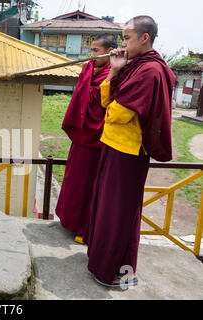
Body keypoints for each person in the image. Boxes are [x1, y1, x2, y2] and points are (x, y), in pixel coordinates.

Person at [83, 16, 176, 288]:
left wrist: (112, 99)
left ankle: (113, 270)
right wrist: (115, 71)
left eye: (127, 38)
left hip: (128, 152)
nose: (122, 44)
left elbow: (117, 114)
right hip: (114, 146)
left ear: (144, 38)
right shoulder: (135, 66)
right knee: (109, 209)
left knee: (119, 213)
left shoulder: (150, 71)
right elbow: (106, 101)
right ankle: (104, 262)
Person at [56, 34, 117, 243]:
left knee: (89, 184)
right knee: (74, 180)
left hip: (96, 138)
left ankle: (86, 227)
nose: (92, 55)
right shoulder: (90, 69)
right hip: (81, 136)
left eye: (96, 51)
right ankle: (70, 221)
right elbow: (81, 96)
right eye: (91, 50)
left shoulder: (114, 72)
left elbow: (101, 101)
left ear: (110, 51)